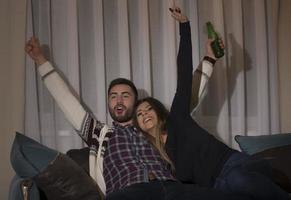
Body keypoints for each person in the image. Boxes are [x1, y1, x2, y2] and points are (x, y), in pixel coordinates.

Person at [25, 4, 252, 200]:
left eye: (126, 95)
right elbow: (67, 101)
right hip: (129, 192)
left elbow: (188, 95)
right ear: (109, 104)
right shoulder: (99, 134)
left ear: (136, 103)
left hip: (172, 188)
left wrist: (209, 59)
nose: (119, 100)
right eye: (113, 96)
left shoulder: (152, 128)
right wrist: (41, 60)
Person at [133, 6, 291, 200]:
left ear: (158, 112)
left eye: (148, 109)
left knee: (239, 180)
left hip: (233, 165)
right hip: (217, 188)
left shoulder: (177, 118)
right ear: (138, 126)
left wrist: (184, 26)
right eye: (139, 114)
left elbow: (184, 74)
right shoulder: (155, 156)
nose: (145, 114)